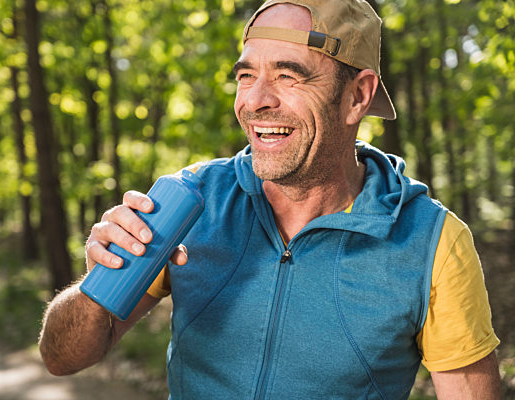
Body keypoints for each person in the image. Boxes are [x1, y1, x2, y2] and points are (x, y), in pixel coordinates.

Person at [39, 0, 502, 398]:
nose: (256, 100)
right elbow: (62, 358)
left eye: (288, 76)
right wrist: (98, 287)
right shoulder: (192, 200)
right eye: (247, 75)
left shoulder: (431, 243)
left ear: (357, 96)